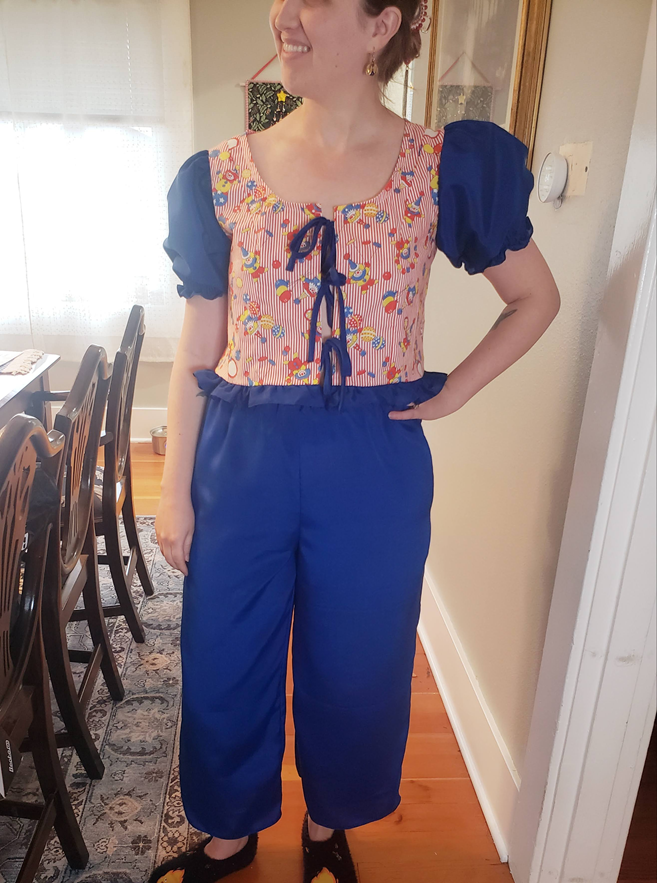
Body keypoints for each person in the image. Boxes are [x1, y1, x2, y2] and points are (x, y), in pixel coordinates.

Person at [148, 0, 561, 880]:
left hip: (373, 460)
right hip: (241, 453)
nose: (284, 14)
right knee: (224, 651)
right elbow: (197, 346)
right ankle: (229, 828)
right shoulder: (218, 175)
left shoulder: (443, 167)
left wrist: (453, 389)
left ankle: (329, 818)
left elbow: (535, 298)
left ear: (382, 25)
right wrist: (173, 490)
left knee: (359, 655)